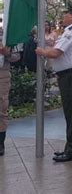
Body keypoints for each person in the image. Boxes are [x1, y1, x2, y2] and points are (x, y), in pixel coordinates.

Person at [35, 0, 72, 162]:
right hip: (71, 74)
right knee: (71, 112)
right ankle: (71, 148)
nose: (63, 17)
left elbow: (56, 53)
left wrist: (42, 51)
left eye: (65, 14)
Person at [0, 28, 21, 156]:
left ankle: (0, 143)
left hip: (2, 75)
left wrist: (6, 53)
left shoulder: (8, 36)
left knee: (1, 109)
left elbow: (17, 56)